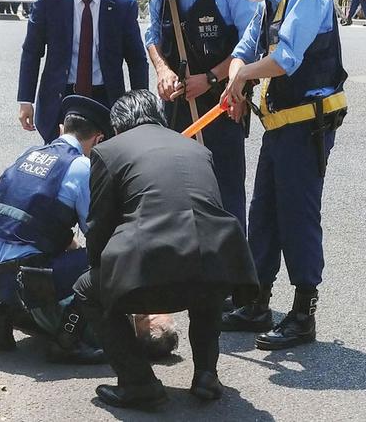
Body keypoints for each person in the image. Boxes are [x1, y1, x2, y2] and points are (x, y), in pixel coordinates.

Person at [207, 0, 348, 350]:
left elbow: (285, 58)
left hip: (307, 125)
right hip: (278, 124)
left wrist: (244, 76)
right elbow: (243, 51)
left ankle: (304, 312)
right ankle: (256, 302)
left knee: (297, 215)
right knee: (263, 212)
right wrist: (236, 77)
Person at [73, 90, 259, 409]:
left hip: (151, 272)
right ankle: (206, 375)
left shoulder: (108, 152)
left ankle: (138, 383)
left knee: (87, 289)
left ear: (118, 127)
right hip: (220, 267)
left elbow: (99, 228)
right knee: (205, 265)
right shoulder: (197, 149)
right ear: (158, 116)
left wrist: (104, 279)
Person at [0, 96, 111, 362]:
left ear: (61, 130)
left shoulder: (29, 154)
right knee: (106, 262)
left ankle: (0, 304)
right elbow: (98, 234)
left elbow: (36, 218)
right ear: (98, 139)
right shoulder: (81, 167)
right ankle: (67, 341)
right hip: (29, 276)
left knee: (34, 242)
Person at [136, 0, 257, 230]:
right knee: (177, 194)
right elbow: (152, 35)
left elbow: (251, 43)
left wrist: (211, 78)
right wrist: (162, 70)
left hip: (221, 105)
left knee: (224, 194)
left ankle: (231, 276)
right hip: (176, 108)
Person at [17, 0, 148, 143]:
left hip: (106, 99)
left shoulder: (123, 5)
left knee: (103, 170)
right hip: (60, 98)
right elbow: (32, 50)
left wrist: (140, 111)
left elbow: (136, 60)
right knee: (59, 166)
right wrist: (25, 100)